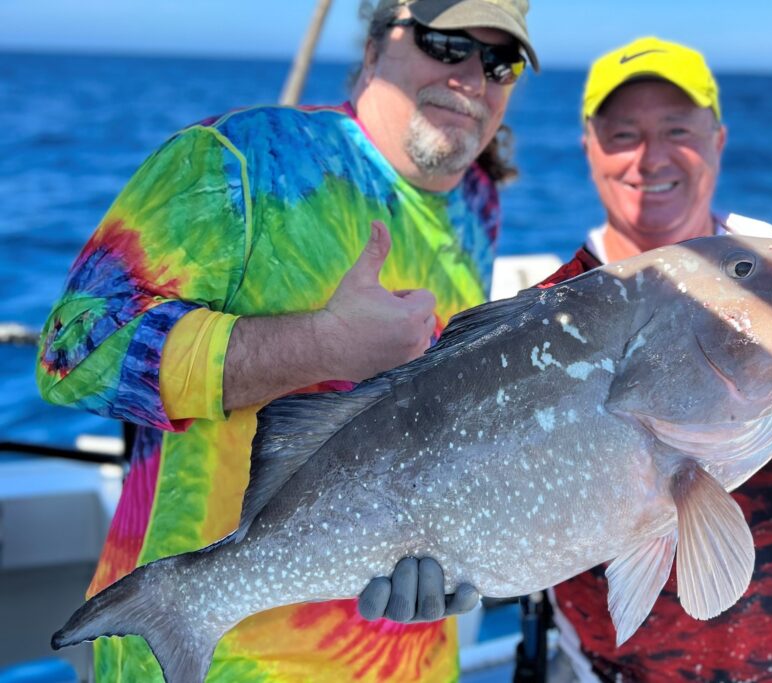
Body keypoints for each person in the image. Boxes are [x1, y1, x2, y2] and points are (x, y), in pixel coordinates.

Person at [36, 0, 538, 680]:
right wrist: (320, 345)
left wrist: (453, 561)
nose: (474, 78)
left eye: (499, 61)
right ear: (373, 45)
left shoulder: (476, 200)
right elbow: (71, 352)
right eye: (445, 44)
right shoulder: (243, 160)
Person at [530, 37, 772, 683]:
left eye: (678, 129)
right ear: (589, 147)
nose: (651, 157)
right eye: (624, 134)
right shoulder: (545, 315)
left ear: (718, 140)